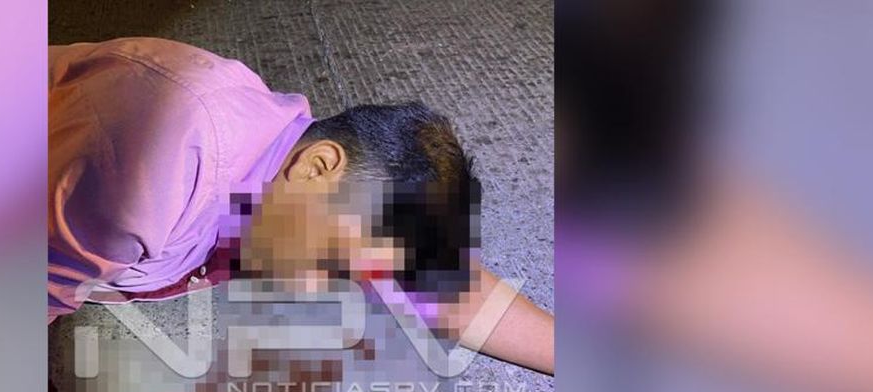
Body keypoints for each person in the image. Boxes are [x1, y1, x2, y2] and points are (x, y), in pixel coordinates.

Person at [49, 37, 554, 374]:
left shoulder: (311, 187)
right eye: (329, 264)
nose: (317, 291)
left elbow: (450, 287)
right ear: (317, 165)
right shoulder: (155, 167)